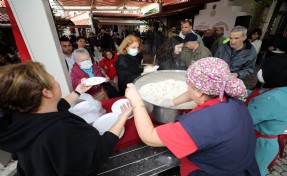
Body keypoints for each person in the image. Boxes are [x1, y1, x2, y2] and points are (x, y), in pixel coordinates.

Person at [123, 57, 260, 176]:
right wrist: (172, 102)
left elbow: (150, 137)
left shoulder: (201, 123)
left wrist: (137, 103)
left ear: (199, 91)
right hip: (241, 166)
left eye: (188, 86)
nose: (188, 88)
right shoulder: (231, 99)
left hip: (212, 172)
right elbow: (198, 91)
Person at [0, 61, 128, 176]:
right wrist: (122, 118)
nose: (56, 82)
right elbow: (99, 151)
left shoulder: (23, 118)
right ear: (47, 93)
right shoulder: (61, 129)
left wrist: (78, 91)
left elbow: (58, 105)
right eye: (53, 79)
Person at [245, 54, 287, 175]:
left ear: (276, 71)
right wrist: (242, 90)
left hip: (259, 144)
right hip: (269, 143)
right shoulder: (282, 89)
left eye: (264, 68)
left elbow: (244, 119)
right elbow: (259, 95)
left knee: (249, 171)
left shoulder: (272, 98)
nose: (259, 71)